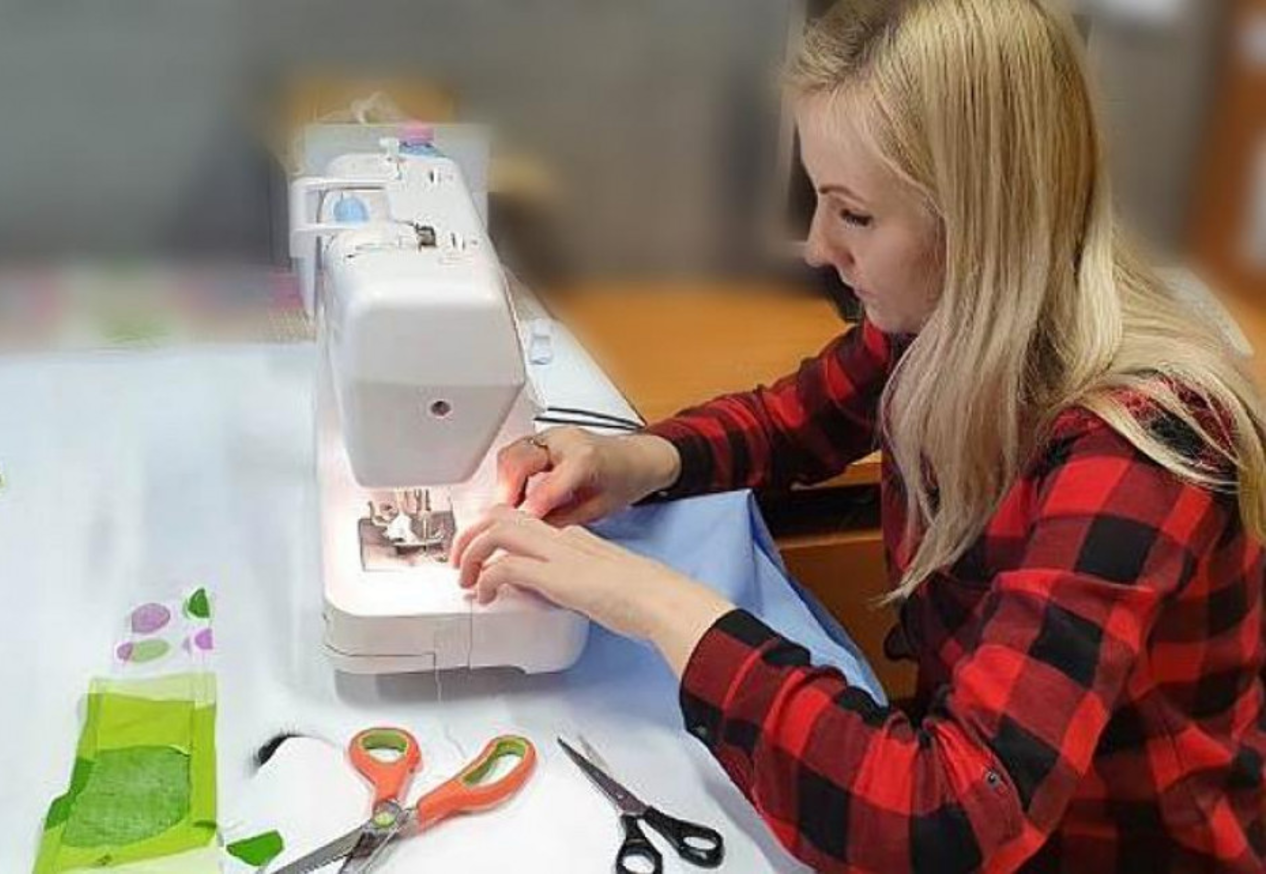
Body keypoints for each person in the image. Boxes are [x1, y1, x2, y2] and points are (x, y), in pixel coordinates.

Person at [451, 0, 1266, 870]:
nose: (816, 247)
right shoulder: (943, 323)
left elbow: (947, 821)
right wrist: (631, 461)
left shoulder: (1142, 444)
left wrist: (652, 601)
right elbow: (794, 421)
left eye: (855, 215)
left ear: (980, 221)